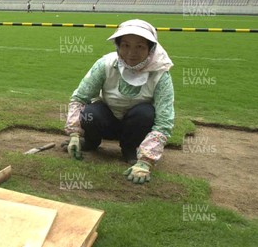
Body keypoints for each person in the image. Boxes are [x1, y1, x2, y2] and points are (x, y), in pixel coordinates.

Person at [64, 19, 175, 184]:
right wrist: (74, 133)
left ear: (151, 49)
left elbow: (164, 122)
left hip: (136, 125)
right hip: (106, 120)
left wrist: (147, 160)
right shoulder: (105, 64)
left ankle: (131, 149)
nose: (131, 53)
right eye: (125, 45)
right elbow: (80, 97)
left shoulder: (160, 75)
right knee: (90, 113)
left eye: (140, 46)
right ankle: (91, 142)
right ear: (118, 45)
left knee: (146, 113)